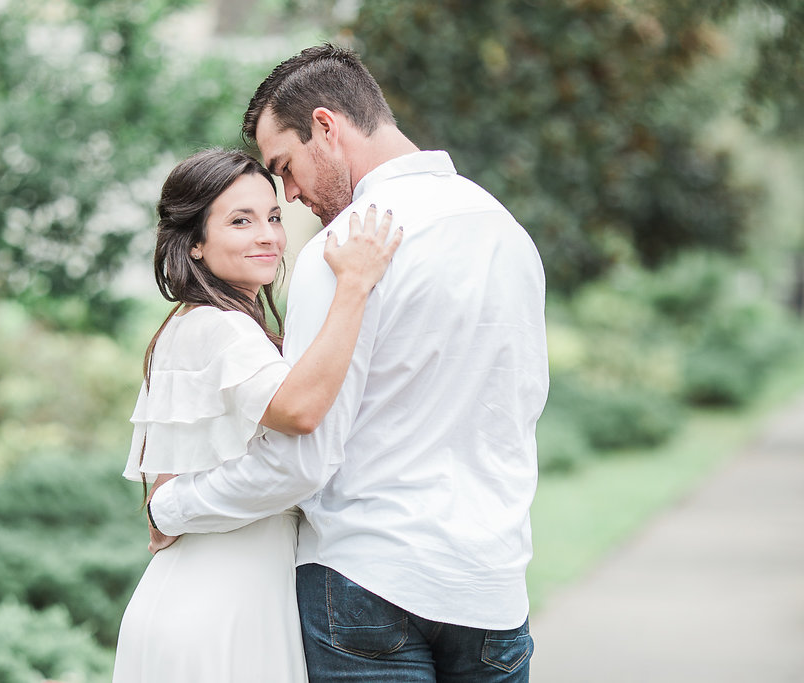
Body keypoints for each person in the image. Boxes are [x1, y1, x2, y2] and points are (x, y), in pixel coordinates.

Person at [146, 44, 549, 682]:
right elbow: (521, 408)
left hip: (367, 583)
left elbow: (302, 456)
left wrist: (171, 507)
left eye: (286, 167)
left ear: (327, 129)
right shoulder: (507, 232)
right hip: (491, 585)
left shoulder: (341, 250)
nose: (293, 194)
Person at [112, 147, 401, 682]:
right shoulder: (223, 328)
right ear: (194, 242)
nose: (268, 235)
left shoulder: (183, 326)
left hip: (184, 595)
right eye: (240, 221)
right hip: (227, 608)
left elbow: (166, 483)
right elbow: (298, 410)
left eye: (272, 217)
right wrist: (355, 286)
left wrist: (166, 510)